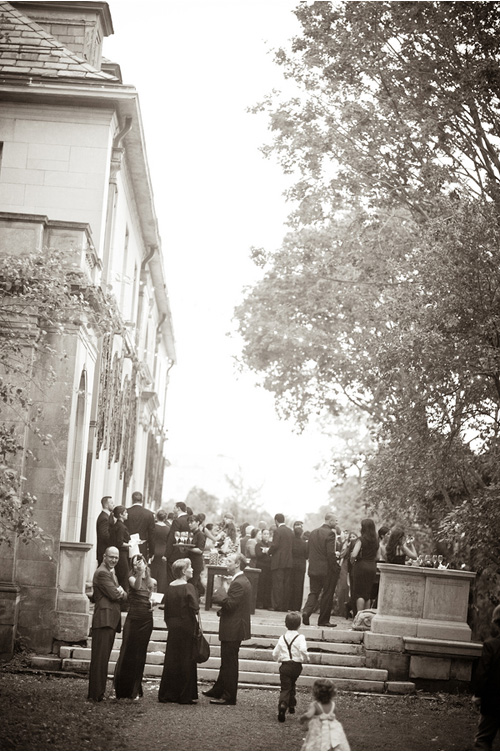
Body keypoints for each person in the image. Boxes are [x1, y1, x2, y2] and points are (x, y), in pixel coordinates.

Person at [203, 552, 252, 705]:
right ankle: (219, 689)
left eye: (229, 561)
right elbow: (235, 605)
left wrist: (219, 592)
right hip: (233, 626)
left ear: (237, 564)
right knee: (226, 661)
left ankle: (229, 696)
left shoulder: (238, 582)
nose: (226, 563)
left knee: (230, 663)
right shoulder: (240, 580)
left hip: (233, 628)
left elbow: (230, 604)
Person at [114, 554, 156, 699]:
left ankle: (135, 688)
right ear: (133, 566)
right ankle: (123, 689)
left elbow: (153, 598)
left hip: (146, 618)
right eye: (135, 562)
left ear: (146, 563)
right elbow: (137, 586)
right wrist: (139, 573)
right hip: (134, 617)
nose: (139, 564)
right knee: (128, 652)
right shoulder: (132, 577)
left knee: (140, 653)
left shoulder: (152, 581)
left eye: (142, 561)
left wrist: (154, 604)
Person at [158, 558, 199, 704]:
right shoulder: (188, 587)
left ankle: (168, 693)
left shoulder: (170, 586)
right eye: (190, 567)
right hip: (186, 624)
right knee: (186, 658)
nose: (192, 569)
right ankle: (184, 695)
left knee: (172, 657)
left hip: (173, 625)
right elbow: (195, 607)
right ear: (183, 571)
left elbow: (166, 608)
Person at [87, 547, 126, 701]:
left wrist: (120, 592)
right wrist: (120, 592)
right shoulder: (103, 572)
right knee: (99, 660)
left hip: (109, 620)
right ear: (104, 556)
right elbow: (116, 594)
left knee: (102, 659)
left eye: (116, 557)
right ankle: (96, 694)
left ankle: (98, 693)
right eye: (111, 557)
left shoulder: (110, 571)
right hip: (104, 620)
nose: (114, 560)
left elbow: (120, 594)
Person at [302, 512, 340, 628]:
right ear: (330, 521)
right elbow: (330, 553)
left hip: (313, 568)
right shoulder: (330, 534)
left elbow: (307, 550)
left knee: (313, 592)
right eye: (335, 521)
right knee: (327, 594)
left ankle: (306, 611)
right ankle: (323, 620)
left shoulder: (313, 532)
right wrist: (335, 567)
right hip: (326, 570)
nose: (337, 523)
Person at [471, 604, 500, 750]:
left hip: (493, 702)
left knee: (483, 739)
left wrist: (478, 696)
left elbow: (483, 674)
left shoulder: (491, 645)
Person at [272, 611, 309, 722]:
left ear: (285, 624)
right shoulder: (300, 637)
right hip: (297, 666)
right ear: (299, 625)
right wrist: (306, 657)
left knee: (285, 687)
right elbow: (303, 649)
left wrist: (277, 659)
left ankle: (283, 705)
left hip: (285, 665)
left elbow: (275, 653)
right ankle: (291, 705)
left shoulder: (282, 637)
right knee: (292, 684)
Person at [300, 678, 350, 751]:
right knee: (331, 741)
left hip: (318, 728)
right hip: (332, 728)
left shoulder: (315, 705)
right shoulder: (333, 704)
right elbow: (334, 714)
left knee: (316, 743)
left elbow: (309, 715)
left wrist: (302, 718)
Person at [350, 518, 379, 614]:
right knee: (367, 594)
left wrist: (352, 561)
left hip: (361, 566)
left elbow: (354, 554)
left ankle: (358, 617)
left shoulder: (361, 539)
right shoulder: (376, 541)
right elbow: (378, 556)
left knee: (359, 594)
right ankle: (366, 618)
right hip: (372, 567)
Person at [269, 513, 294, 611]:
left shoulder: (278, 531)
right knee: (286, 584)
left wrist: (268, 551)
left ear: (276, 521)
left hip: (278, 562)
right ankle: (285, 606)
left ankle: (277, 605)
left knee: (277, 584)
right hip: (288, 561)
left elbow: (275, 545)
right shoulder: (290, 531)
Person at [125, 491, 155, 560]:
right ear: (142, 500)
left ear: (132, 500)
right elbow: (152, 534)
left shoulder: (126, 512)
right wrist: (151, 552)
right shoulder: (149, 514)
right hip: (142, 547)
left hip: (127, 546)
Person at [108, 505, 131, 597]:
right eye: (125, 512)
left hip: (119, 553)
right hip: (121, 554)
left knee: (121, 576)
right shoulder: (121, 526)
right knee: (124, 577)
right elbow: (119, 542)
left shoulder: (117, 525)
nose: (127, 514)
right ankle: (123, 602)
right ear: (121, 515)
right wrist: (130, 544)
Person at [165, 502, 190, 580]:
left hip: (175, 554)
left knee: (172, 577)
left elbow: (172, 538)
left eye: (174, 508)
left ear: (178, 509)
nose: (173, 510)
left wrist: (166, 555)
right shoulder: (190, 519)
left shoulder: (177, 521)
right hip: (187, 553)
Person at [149, 509, 170, 595]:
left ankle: (151, 593)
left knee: (152, 573)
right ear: (165, 518)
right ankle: (160, 595)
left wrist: (151, 553)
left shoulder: (153, 527)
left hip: (154, 551)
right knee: (162, 575)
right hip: (163, 551)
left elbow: (151, 540)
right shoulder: (168, 529)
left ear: (157, 517)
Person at [289, 521, 308, 611]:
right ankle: (296, 606)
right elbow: (307, 555)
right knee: (299, 586)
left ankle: (289, 605)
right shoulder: (304, 544)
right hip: (301, 565)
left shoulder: (291, 542)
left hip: (292, 564)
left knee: (291, 585)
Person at [186, 514, 206, 596]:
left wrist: (187, 548)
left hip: (196, 562)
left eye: (192, 522)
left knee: (193, 584)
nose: (189, 524)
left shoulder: (200, 534)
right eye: (189, 522)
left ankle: (194, 601)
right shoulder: (191, 534)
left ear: (198, 522)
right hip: (190, 561)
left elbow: (200, 550)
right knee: (193, 583)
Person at [255, 529, 272, 609]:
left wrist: (265, 551)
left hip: (269, 568)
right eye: (264, 534)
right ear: (262, 535)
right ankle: (259, 603)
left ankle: (266, 603)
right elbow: (258, 554)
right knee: (260, 585)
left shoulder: (271, 545)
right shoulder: (258, 544)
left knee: (267, 586)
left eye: (267, 534)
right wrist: (266, 552)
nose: (266, 535)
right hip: (261, 567)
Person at [96, 495, 114, 565]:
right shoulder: (104, 518)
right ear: (106, 505)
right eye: (111, 503)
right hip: (104, 552)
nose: (113, 505)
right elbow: (105, 535)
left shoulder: (107, 516)